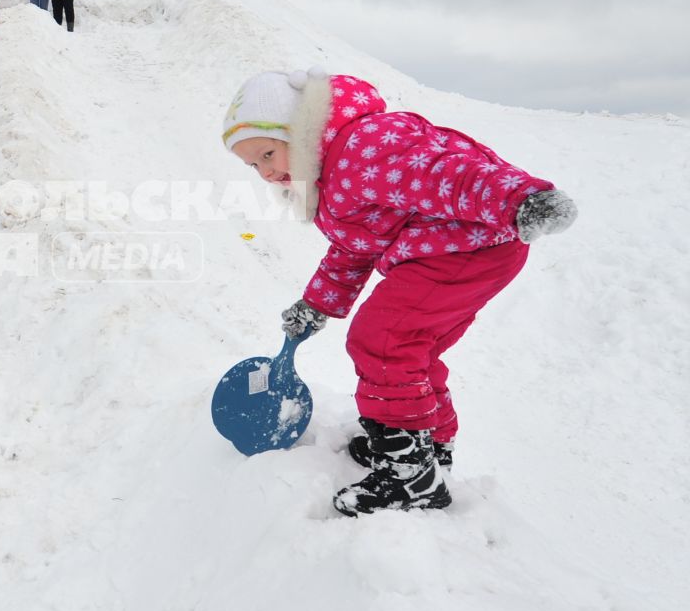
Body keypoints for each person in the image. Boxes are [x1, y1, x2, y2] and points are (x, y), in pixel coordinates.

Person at [223, 69, 578, 516]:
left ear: (303, 128)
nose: (266, 172)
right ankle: (426, 448)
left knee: (382, 341)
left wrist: (519, 199)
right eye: (253, 165)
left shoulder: (363, 148)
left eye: (269, 153)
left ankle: (410, 476)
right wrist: (316, 305)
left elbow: (445, 173)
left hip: (467, 246)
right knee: (413, 350)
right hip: (460, 251)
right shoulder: (333, 175)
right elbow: (355, 246)